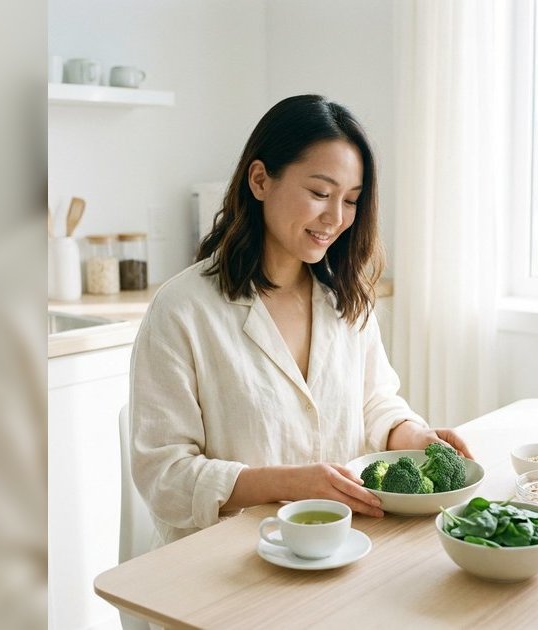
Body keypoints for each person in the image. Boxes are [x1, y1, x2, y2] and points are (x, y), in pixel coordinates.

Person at [129, 94, 472, 546]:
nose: (335, 218)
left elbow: (374, 402)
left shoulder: (347, 300)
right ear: (259, 180)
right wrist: (289, 483)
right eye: (319, 193)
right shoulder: (182, 309)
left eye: (350, 200)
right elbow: (165, 477)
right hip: (220, 562)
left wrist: (413, 435)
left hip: (338, 546)